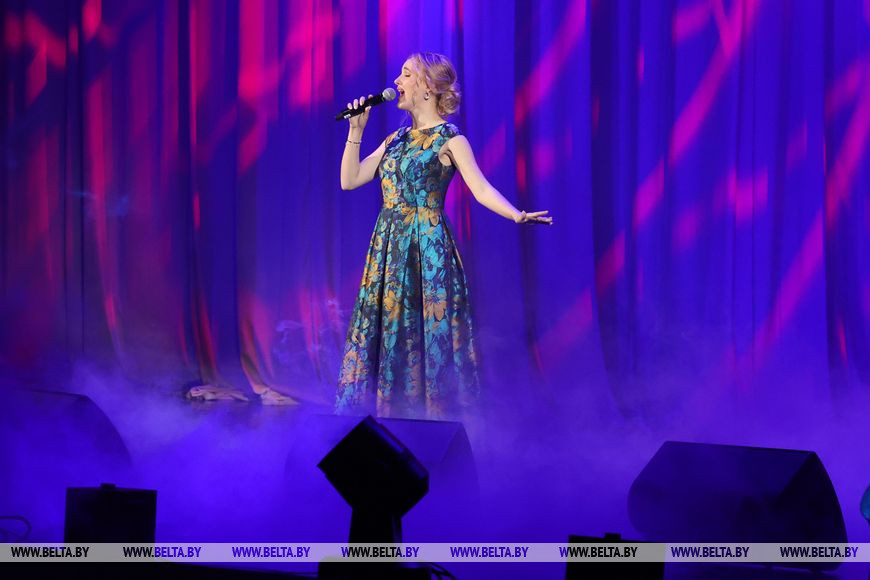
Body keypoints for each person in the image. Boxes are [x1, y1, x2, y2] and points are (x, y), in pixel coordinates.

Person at [335, 52, 552, 419]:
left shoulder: (450, 138)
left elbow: (481, 189)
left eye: (406, 74)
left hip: (426, 247)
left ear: (428, 87)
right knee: (388, 328)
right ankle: (387, 416)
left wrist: (515, 214)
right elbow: (350, 180)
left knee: (425, 331)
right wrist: (355, 132)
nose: (397, 81)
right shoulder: (394, 140)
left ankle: (431, 420)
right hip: (388, 248)